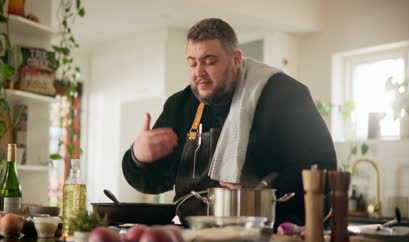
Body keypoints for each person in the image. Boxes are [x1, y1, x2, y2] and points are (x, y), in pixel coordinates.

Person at [122, 18, 336, 228]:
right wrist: (138, 157)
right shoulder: (180, 106)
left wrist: (262, 191)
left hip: (273, 235)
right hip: (194, 237)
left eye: (209, 61)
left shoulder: (285, 96)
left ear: (235, 59)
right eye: (192, 62)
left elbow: (323, 169)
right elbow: (154, 182)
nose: (199, 73)